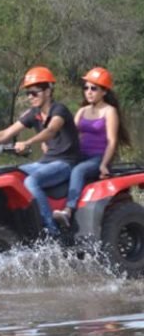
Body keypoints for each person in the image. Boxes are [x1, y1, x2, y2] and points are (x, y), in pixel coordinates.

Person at [0, 66, 81, 236]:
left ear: (48, 91)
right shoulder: (33, 114)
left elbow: (51, 130)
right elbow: (5, 134)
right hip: (45, 162)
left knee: (31, 182)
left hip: (65, 163)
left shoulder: (59, 110)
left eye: (34, 93)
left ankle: (51, 232)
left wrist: (28, 142)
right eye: (27, 93)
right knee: (10, 176)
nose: (30, 97)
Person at [52, 67, 131, 227]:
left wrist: (103, 164)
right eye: (86, 88)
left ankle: (68, 209)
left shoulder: (109, 111)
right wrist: (54, 148)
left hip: (99, 157)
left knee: (78, 170)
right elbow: (70, 137)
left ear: (104, 92)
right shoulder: (82, 111)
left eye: (93, 88)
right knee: (59, 167)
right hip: (80, 155)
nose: (88, 92)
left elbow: (112, 141)